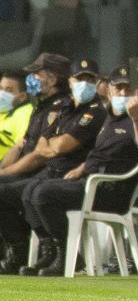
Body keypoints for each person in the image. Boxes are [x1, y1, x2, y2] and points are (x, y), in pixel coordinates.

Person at [18, 66, 138, 276]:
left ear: (137, 92)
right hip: (90, 182)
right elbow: (100, 154)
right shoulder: (107, 117)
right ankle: (51, 250)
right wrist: (82, 167)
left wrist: (137, 119)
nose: (124, 94)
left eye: (129, 89)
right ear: (110, 90)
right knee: (29, 192)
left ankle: (67, 256)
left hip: (111, 190)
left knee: (43, 195)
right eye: (119, 88)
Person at [0, 57, 106, 274]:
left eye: (90, 79)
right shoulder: (65, 107)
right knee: (25, 191)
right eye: (79, 79)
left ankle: (64, 254)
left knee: (35, 193)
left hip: (68, 175)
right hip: (51, 171)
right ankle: (38, 251)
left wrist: (50, 146)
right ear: (70, 81)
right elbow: (38, 143)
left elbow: (55, 148)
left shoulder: (92, 110)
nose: (84, 84)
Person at [0, 71, 33, 159]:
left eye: (9, 90)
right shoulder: (4, 110)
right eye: (0, 88)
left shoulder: (25, 113)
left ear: (22, 96)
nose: (2, 94)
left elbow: (21, 147)